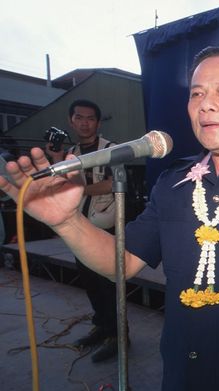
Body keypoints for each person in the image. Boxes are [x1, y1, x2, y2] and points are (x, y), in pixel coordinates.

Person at [1, 47, 219, 391]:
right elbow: (125, 262)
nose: (206, 104)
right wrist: (67, 222)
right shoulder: (173, 183)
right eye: (197, 93)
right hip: (183, 374)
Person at [45, 99, 121, 362]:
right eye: (79, 118)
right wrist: (55, 157)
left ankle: (119, 336)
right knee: (88, 281)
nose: (85, 122)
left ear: (98, 123)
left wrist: (81, 190)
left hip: (106, 225)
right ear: (71, 121)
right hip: (79, 223)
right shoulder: (71, 152)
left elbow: (114, 184)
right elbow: (57, 183)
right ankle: (101, 327)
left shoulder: (112, 149)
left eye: (90, 118)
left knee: (107, 282)